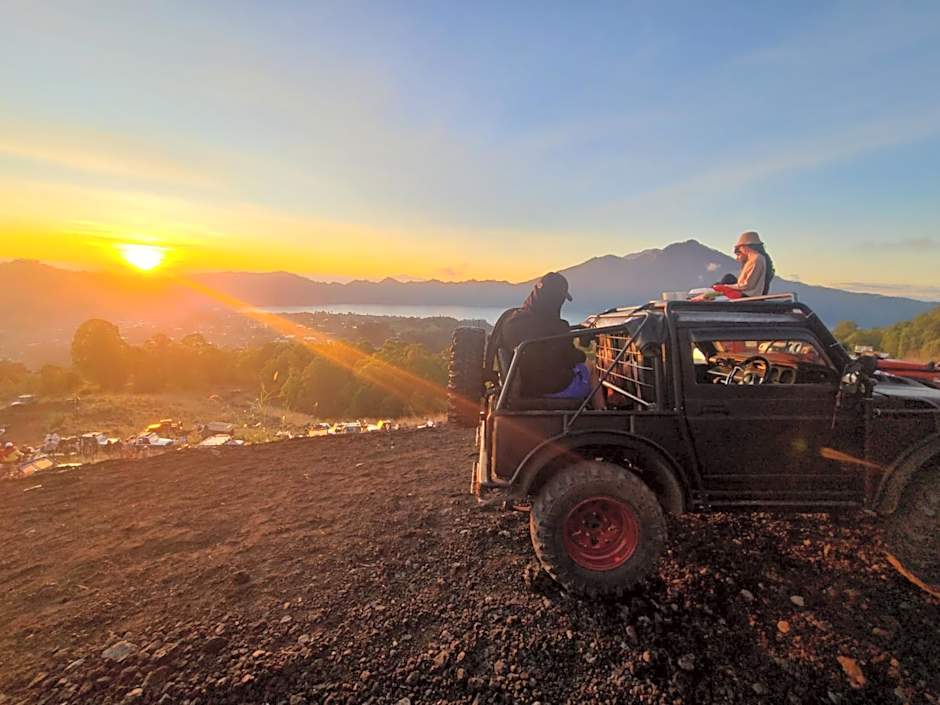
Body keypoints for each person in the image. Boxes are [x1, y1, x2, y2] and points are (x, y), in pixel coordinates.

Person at [492, 272, 606, 409]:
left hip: (524, 387)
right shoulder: (557, 327)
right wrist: (582, 355)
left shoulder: (511, 321)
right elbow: (571, 357)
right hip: (554, 388)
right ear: (556, 300)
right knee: (590, 367)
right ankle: (602, 414)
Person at [717, 231, 775, 298]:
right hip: (746, 291)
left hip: (747, 294)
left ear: (746, 246)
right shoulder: (752, 259)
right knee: (726, 279)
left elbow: (747, 285)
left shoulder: (757, 259)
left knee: (722, 284)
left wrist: (726, 286)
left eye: (740, 248)